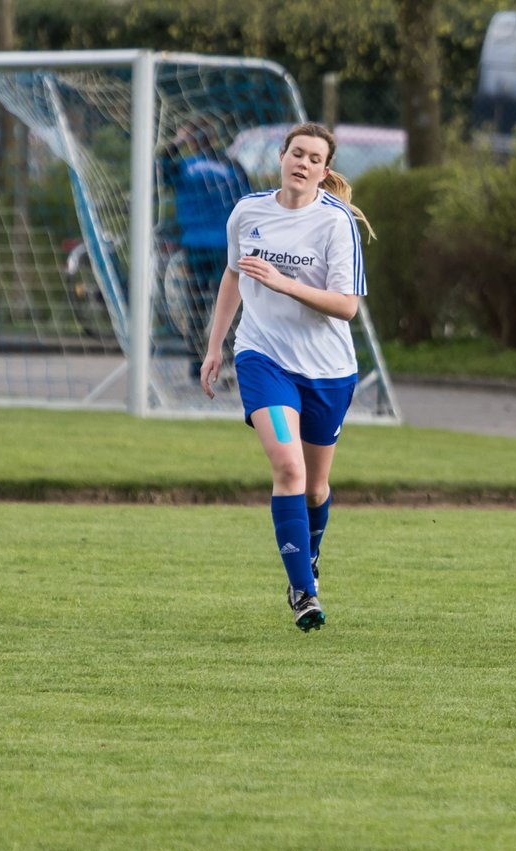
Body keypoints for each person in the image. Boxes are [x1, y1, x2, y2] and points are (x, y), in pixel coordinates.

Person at [200, 121, 375, 632]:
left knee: (316, 487)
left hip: (327, 371)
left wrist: (284, 283)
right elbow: (234, 274)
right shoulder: (248, 211)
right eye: (296, 153)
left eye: (314, 158)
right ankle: (304, 593)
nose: (303, 163)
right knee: (289, 471)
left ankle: (309, 555)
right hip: (262, 359)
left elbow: (346, 307)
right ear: (281, 156)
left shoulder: (335, 222)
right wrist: (216, 346)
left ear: (324, 171)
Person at [158, 116, 252, 375]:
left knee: (197, 304)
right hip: (226, 245)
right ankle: (231, 357)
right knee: (228, 303)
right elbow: (248, 202)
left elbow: (162, 166)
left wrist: (175, 143)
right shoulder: (231, 165)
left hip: (196, 244)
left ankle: (196, 362)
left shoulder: (184, 167)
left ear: (190, 140)